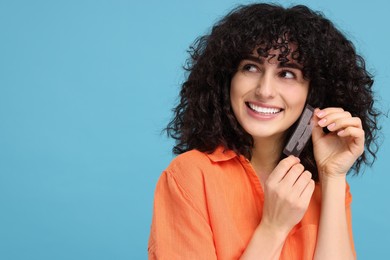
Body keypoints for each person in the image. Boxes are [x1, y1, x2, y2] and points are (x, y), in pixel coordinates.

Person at [148, 3, 380, 259]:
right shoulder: (190, 177)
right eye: (251, 67)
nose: (265, 90)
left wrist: (333, 176)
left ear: (313, 93)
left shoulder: (326, 184)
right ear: (227, 78)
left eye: (287, 73)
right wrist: (273, 228)